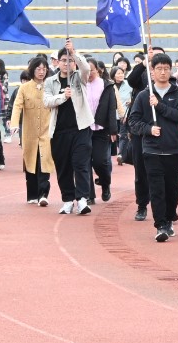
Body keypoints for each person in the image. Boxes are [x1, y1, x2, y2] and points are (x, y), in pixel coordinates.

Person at [126, 52, 178, 242]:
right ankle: (160, 225)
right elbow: (133, 121)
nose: (162, 72)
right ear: (152, 71)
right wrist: (148, 129)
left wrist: (159, 105)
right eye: (159, 68)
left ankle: (169, 218)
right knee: (156, 189)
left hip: (172, 149)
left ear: (171, 70)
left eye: (166, 69)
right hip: (151, 150)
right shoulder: (144, 95)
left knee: (172, 189)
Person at [45, 40, 94, 215]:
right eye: (63, 60)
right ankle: (67, 199)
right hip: (59, 131)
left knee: (80, 163)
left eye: (70, 60)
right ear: (58, 62)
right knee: (63, 166)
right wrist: (62, 97)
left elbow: (86, 68)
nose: (67, 64)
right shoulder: (50, 81)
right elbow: (47, 101)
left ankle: (82, 199)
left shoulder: (80, 77)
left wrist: (74, 52)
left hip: (81, 129)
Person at [10, 55, 56, 206]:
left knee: (44, 162)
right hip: (29, 133)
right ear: (32, 70)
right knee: (30, 162)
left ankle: (43, 194)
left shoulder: (50, 86)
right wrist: (14, 124)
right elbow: (17, 106)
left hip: (46, 132)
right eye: (38, 69)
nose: (41, 72)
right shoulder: (24, 88)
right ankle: (32, 194)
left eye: (44, 69)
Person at [86, 56, 118, 203]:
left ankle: (105, 184)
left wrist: (113, 130)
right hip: (83, 129)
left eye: (91, 70)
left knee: (100, 161)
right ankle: (89, 195)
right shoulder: (79, 85)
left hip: (101, 129)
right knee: (84, 163)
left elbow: (111, 108)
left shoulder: (107, 85)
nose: (88, 74)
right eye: (85, 71)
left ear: (98, 70)